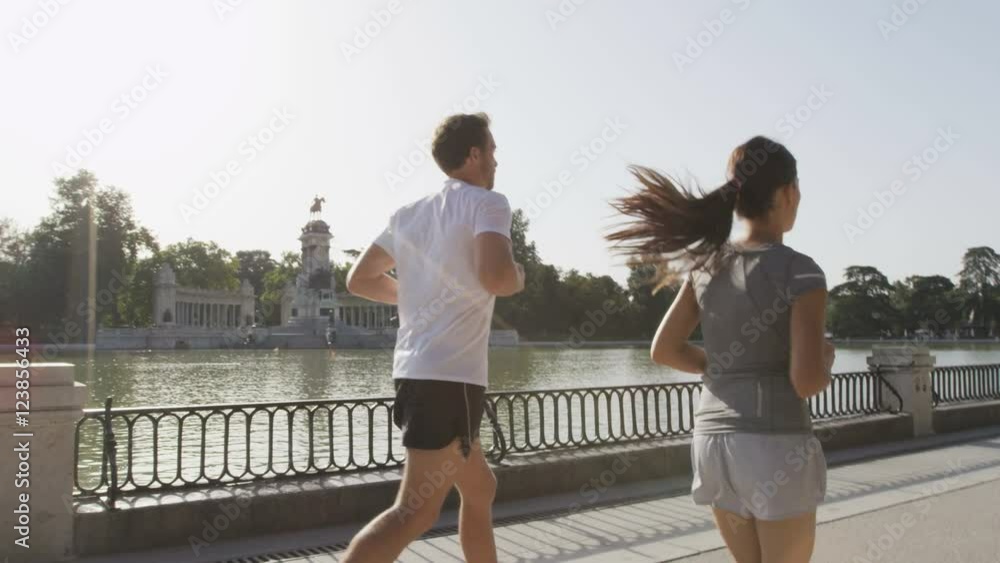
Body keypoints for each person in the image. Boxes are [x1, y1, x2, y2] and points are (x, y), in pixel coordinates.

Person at [607, 136, 835, 563]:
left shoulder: (707, 266)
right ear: (788, 193)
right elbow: (805, 382)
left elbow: (664, 349)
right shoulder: (801, 271)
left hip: (712, 444)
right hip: (775, 445)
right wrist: (825, 358)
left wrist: (727, 366)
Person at [341, 113, 525, 563]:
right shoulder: (488, 203)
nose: (497, 159)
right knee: (415, 512)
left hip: (417, 373)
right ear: (475, 154)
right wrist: (518, 275)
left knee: (481, 487)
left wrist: (418, 293)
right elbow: (497, 276)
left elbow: (359, 279)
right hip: (450, 380)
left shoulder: (408, 214)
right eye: (493, 150)